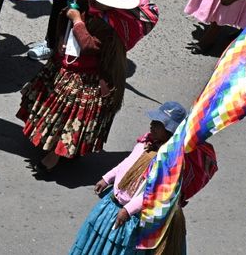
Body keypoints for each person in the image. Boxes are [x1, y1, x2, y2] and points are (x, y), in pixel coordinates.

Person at [18, 0, 138, 173]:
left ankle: (53, 156)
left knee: (67, 117)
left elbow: (89, 46)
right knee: (52, 109)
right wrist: (70, 11)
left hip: (85, 77)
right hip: (64, 65)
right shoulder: (83, 2)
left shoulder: (111, 26)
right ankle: (47, 141)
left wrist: (76, 21)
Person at [70, 101, 217, 255]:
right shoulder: (145, 144)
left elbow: (153, 193)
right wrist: (107, 179)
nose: (151, 125)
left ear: (169, 131)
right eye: (153, 121)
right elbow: (126, 164)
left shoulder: (167, 163)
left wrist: (128, 210)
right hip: (112, 206)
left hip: (132, 219)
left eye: (158, 124)